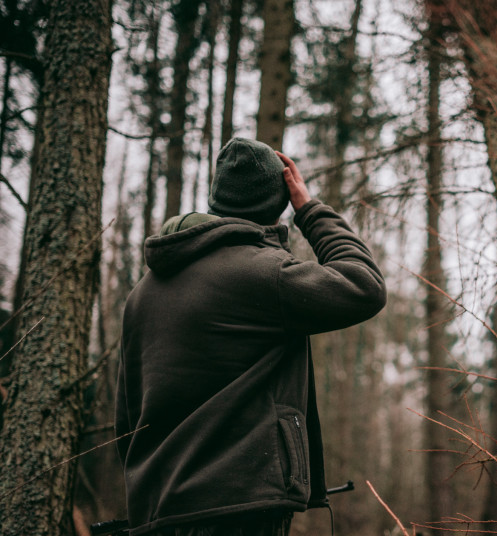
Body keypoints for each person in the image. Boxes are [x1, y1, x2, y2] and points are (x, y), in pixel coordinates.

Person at [115, 137, 387, 536]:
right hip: (238, 507)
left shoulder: (142, 293)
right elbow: (365, 286)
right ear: (276, 204)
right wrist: (309, 210)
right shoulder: (265, 274)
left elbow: (127, 414)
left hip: (157, 510)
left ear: (216, 199)